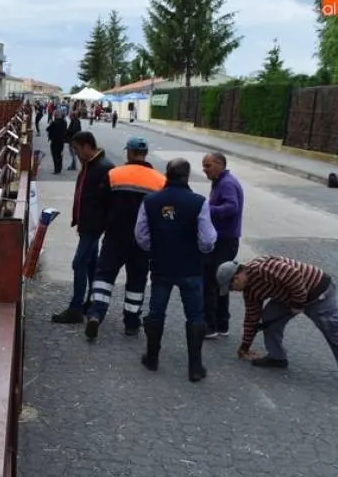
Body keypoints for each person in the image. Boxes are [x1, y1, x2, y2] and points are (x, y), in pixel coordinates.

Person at [217, 256, 338, 394]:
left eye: (231, 286)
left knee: (333, 330)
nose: (233, 291)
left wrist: (298, 303)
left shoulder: (262, 268)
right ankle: (277, 357)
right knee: (269, 318)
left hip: (317, 291)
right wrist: (244, 347)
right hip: (290, 296)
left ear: (238, 275)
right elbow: (252, 318)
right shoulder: (250, 290)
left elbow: (294, 276)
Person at [135, 158, 218, 381]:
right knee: (195, 316)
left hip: (162, 265)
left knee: (156, 312)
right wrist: (199, 251)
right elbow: (208, 239)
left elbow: (141, 235)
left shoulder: (150, 201)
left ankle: (152, 358)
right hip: (190, 266)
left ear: (167, 174)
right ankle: (195, 366)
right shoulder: (198, 202)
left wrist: (157, 248)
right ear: (187, 176)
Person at [83, 137, 165, 339]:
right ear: (145, 153)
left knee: (104, 276)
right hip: (142, 241)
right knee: (137, 281)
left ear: (129, 152)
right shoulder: (160, 180)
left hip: (115, 236)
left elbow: (100, 203)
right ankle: (131, 322)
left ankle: (96, 314)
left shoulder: (114, 174)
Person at [51, 131, 114, 324]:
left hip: (93, 225)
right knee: (91, 264)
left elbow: (108, 200)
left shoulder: (102, 168)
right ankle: (91, 301)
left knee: (79, 263)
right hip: (88, 223)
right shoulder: (93, 165)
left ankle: (76, 308)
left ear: (87, 146)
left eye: (77, 150)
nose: (76, 154)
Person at [201, 152, 244, 339]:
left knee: (211, 281)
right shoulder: (222, 182)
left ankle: (210, 327)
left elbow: (232, 207)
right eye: (204, 166)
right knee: (221, 282)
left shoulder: (226, 184)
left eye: (208, 166)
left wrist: (207, 210)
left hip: (224, 241)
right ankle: (222, 324)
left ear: (219, 165)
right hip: (226, 239)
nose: (204, 169)